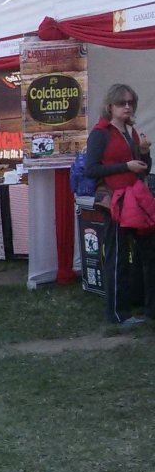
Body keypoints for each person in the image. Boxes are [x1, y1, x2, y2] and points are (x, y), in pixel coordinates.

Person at [84, 83, 154, 325]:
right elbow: (91, 169)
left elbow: (143, 170)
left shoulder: (131, 132)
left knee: (148, 253)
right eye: (121, 103)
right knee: (117, 257)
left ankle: (149, 307)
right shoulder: (100, 133)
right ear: (110, 106)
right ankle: (116, 314)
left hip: (135, 199)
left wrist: (144, 154)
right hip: (115, 201)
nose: (127, 106)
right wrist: (126, 166)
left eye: (130, 102)